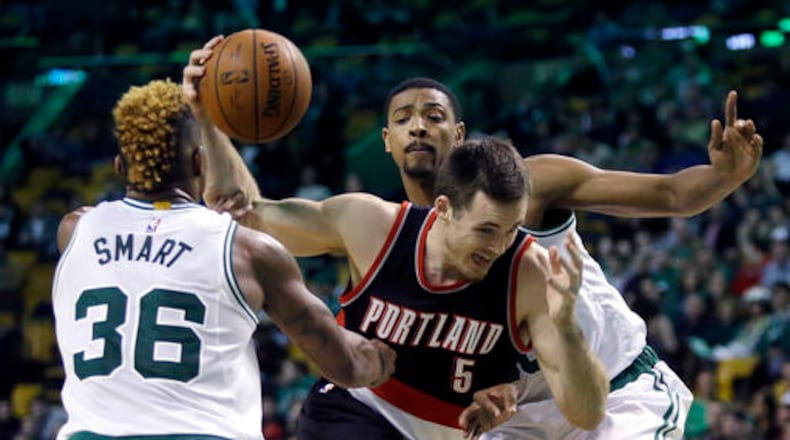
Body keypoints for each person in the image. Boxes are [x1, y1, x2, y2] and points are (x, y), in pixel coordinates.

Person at [183, 38, 762, 438]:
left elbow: (671, 197)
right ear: (385, 141)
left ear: (458, 133)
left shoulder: (527, 184)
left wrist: (724, 176)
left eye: (433, 114)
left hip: (614, 388)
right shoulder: (382, 233)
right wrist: (205, 117)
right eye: (404, 117)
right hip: (511, 417)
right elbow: (250, 213)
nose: (418, 125)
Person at [52, 79, 396, 440]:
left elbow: (146, 248)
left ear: (120, 166)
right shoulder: (247, 250)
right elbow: (344, 364)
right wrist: (379, 361)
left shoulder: (75, 231)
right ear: (199, 160)